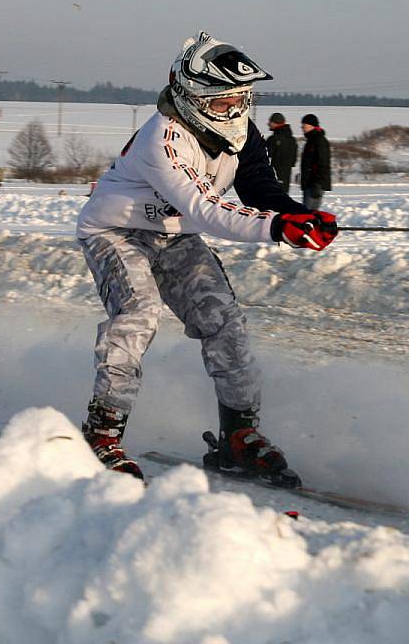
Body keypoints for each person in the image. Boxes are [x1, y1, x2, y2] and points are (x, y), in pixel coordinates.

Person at [76, 31, 338, 485]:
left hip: (176, 237)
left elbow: (258, 187)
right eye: (223, 103)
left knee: (225, 320)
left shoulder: (242, 133)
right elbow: (205, 208)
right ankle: (101, 433)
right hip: (117, 233)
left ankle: (238, 437)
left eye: (243, 99)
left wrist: (302, 217)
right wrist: (276, 228)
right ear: (191, 97)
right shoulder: (164, 136)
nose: (235, 111)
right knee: (139, 314)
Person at [300, 114, 332, 209]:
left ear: (311, 125)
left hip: (315, 184)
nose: (302, 127)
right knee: (307, 212)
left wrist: (318, 183)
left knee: (310, 213)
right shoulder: (311, 140)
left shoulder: (319, 141)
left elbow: (323, 163)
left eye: (304, 125)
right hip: (310, 183)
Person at [266, 112, 297, 193]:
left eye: (270, 122)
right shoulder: (292, 140)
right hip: (286, 176)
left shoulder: (274, 139)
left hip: (274, 175)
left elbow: (266, 155)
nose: (268, 124)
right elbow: (293, 160)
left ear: (276, 123)